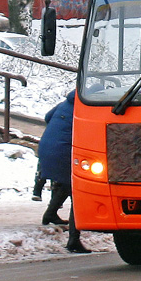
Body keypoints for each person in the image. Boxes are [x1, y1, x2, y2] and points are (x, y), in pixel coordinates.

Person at [37, 89, 88, 253]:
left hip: (45, 147)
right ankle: (74, 240)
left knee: (67, 184)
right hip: (63, 152)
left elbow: (47, 117)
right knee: (77, 192)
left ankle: (50, 214)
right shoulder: (85, 109)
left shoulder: (64, 104)